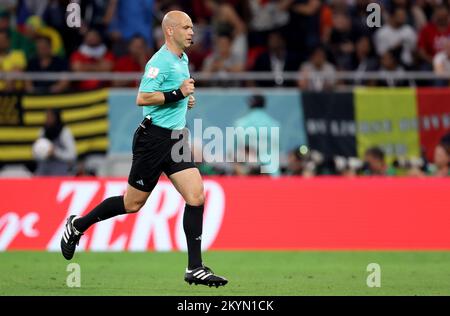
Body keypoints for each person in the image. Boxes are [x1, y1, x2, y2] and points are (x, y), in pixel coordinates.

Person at [60, 11, 228, 288]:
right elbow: (142, 98)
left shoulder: (182, 59)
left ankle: (195, 268)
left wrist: (183, 102)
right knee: (132, 204)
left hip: (175, 139)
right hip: (153, 140)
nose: (191, 32)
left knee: (196, 196)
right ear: (170, 31)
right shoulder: (159, 62)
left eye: (191, 27)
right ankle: (77, 226)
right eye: (186, 27)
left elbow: (169, 96)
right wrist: (178, 95)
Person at [34, 109, 77, 176]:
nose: (48, 119)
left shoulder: (64, 132)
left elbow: (72, 155)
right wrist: (41, 152)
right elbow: (36, 156)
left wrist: (55, 152)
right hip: (43, 174)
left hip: (60, 174)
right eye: (47, 117)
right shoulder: (42, 131)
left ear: (56, 118)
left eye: (50, 117)